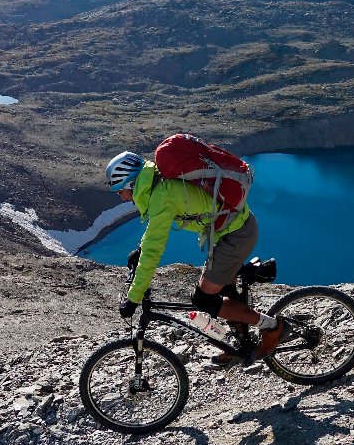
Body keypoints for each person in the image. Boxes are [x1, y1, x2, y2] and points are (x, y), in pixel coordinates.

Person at [105, 150, 288, 361]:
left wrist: (134, 297)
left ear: (129, 184)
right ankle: (241, 345)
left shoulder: (162, 196)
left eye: (119, 191)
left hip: (236, 235)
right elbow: (154, 232)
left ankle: (273, 327)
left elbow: (154, 249)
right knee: (223, 289)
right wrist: (140, 250)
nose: (121, 197)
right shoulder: (159, 186)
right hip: (231, 231)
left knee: (204, 299)